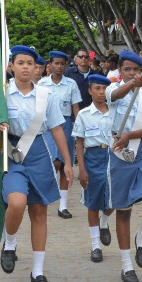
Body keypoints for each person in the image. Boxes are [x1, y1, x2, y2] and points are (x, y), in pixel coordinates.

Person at [0, 45, 73, 281]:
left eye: (30, 63)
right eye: (20, 63)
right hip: (10, 151)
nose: (26, 67)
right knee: (17, 202)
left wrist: (68, 162)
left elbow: (57, 128)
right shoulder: (0, 94)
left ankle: (38, 270)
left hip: (39, 151)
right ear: (11, 67)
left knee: (39, 211)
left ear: (37, 67)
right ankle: (10, 243)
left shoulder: (45, 95)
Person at [106, 50, 142, 282]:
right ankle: (126, 265)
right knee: (123, 209)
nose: (132, 73)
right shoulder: (112, 88)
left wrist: (131, 134)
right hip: (119, 152)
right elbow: (117, 95)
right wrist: (131, 84)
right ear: (120, 71)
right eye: (127, 69)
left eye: (136, 70)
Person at [72, 74, 115, 263]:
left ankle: (104, 222)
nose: (101, 92)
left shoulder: (115, 112)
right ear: (89, 91)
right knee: (93, 202)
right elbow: (79, 144)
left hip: (114, 158)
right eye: (97, 88)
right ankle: (95, 245)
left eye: (104, 89)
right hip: (93, 158)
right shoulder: (84, 114)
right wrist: (81, 169)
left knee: (115, 200)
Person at [38, 51, 82, 219]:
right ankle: (45, 197)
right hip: (47, 125)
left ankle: (63, 205)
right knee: (51, 162)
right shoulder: (42, 84)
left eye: (62, 63)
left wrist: (79, 129)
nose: (59, 66)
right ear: (49, 65)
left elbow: (75, 108)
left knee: (65, 163)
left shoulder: (71, 84)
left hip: (66, 124)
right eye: (56, 63)